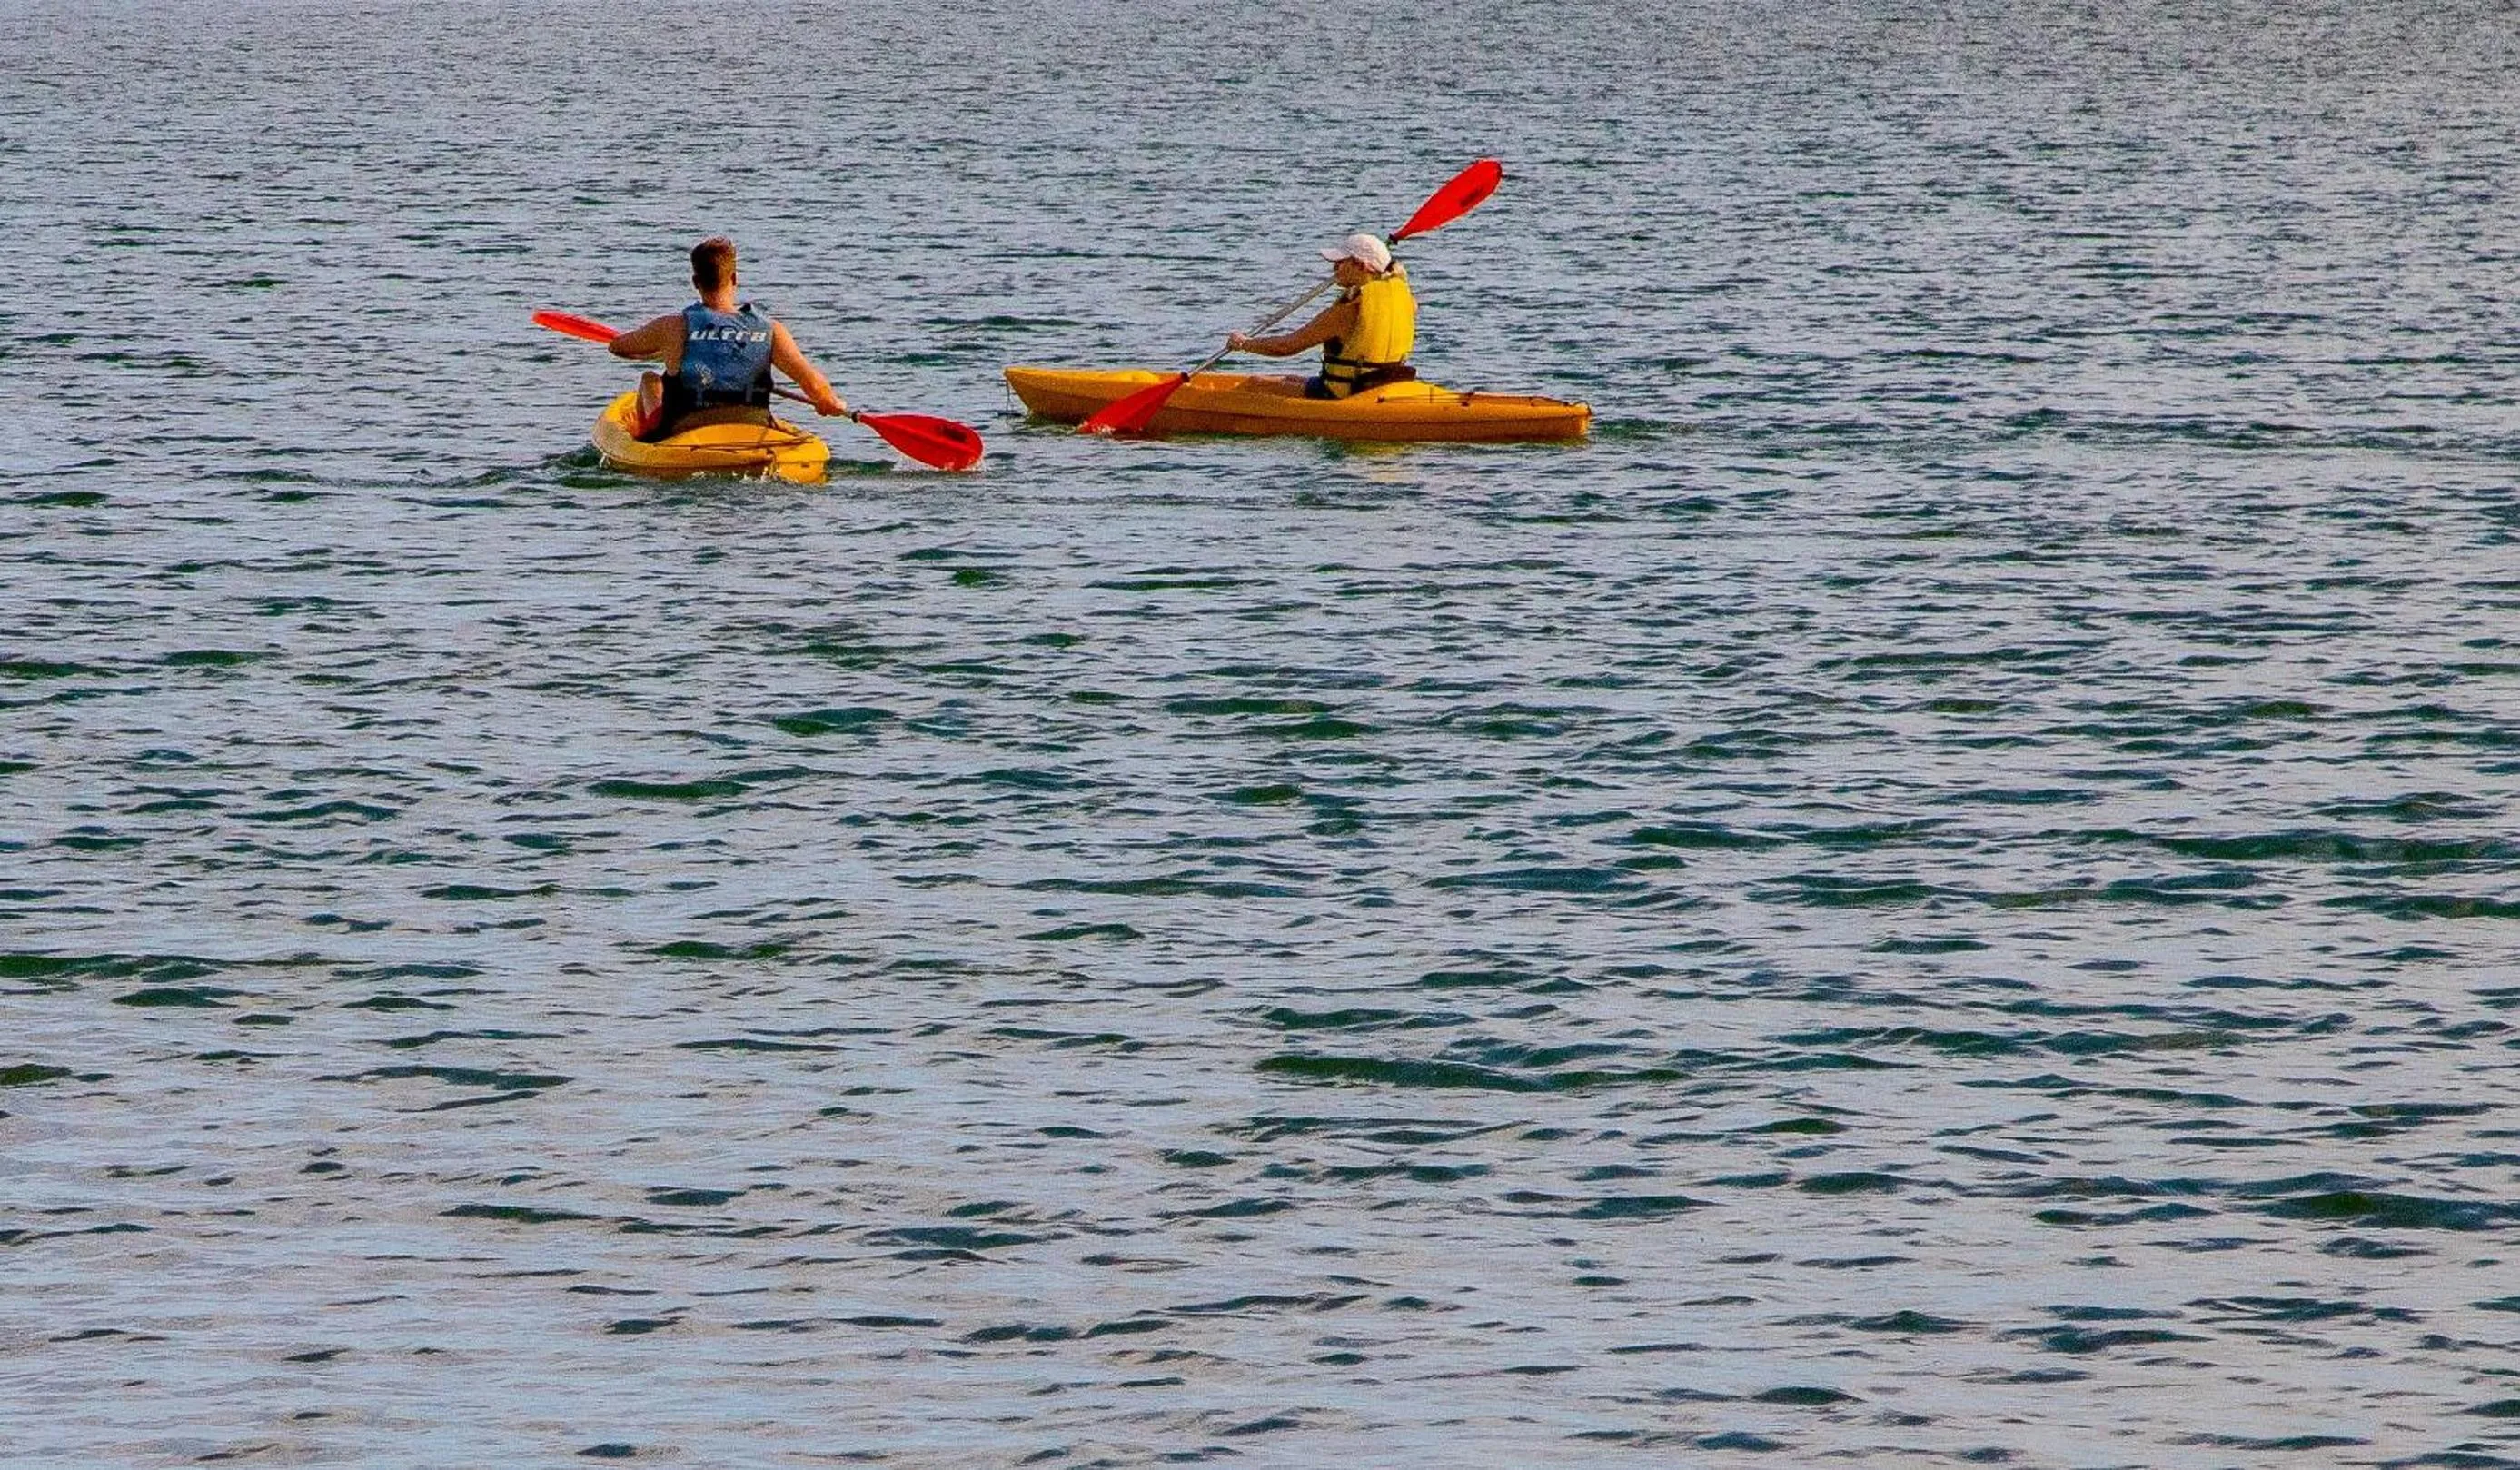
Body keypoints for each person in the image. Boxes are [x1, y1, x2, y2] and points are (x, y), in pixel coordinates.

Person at [606, 237, 848, 440]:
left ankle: (648, 441)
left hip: (686, 433)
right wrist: (829, 401)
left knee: (650, 380)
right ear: (734, 279)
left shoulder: (673, 327)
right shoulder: (771, 329)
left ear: (695, 282)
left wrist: (664, 351)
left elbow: (618, 346)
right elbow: (813, 385)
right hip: (752, 427)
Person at [1225, 232, 1419, 399]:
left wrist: (1244, 344)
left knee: (1255, 384)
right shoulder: (1409, 301)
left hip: (1346, 392)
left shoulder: (1347, 310)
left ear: (1361, 266)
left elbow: (1287, 346)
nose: (1334, 269)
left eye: (1340, 263)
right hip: (1387, 384)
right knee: (1289, 379)